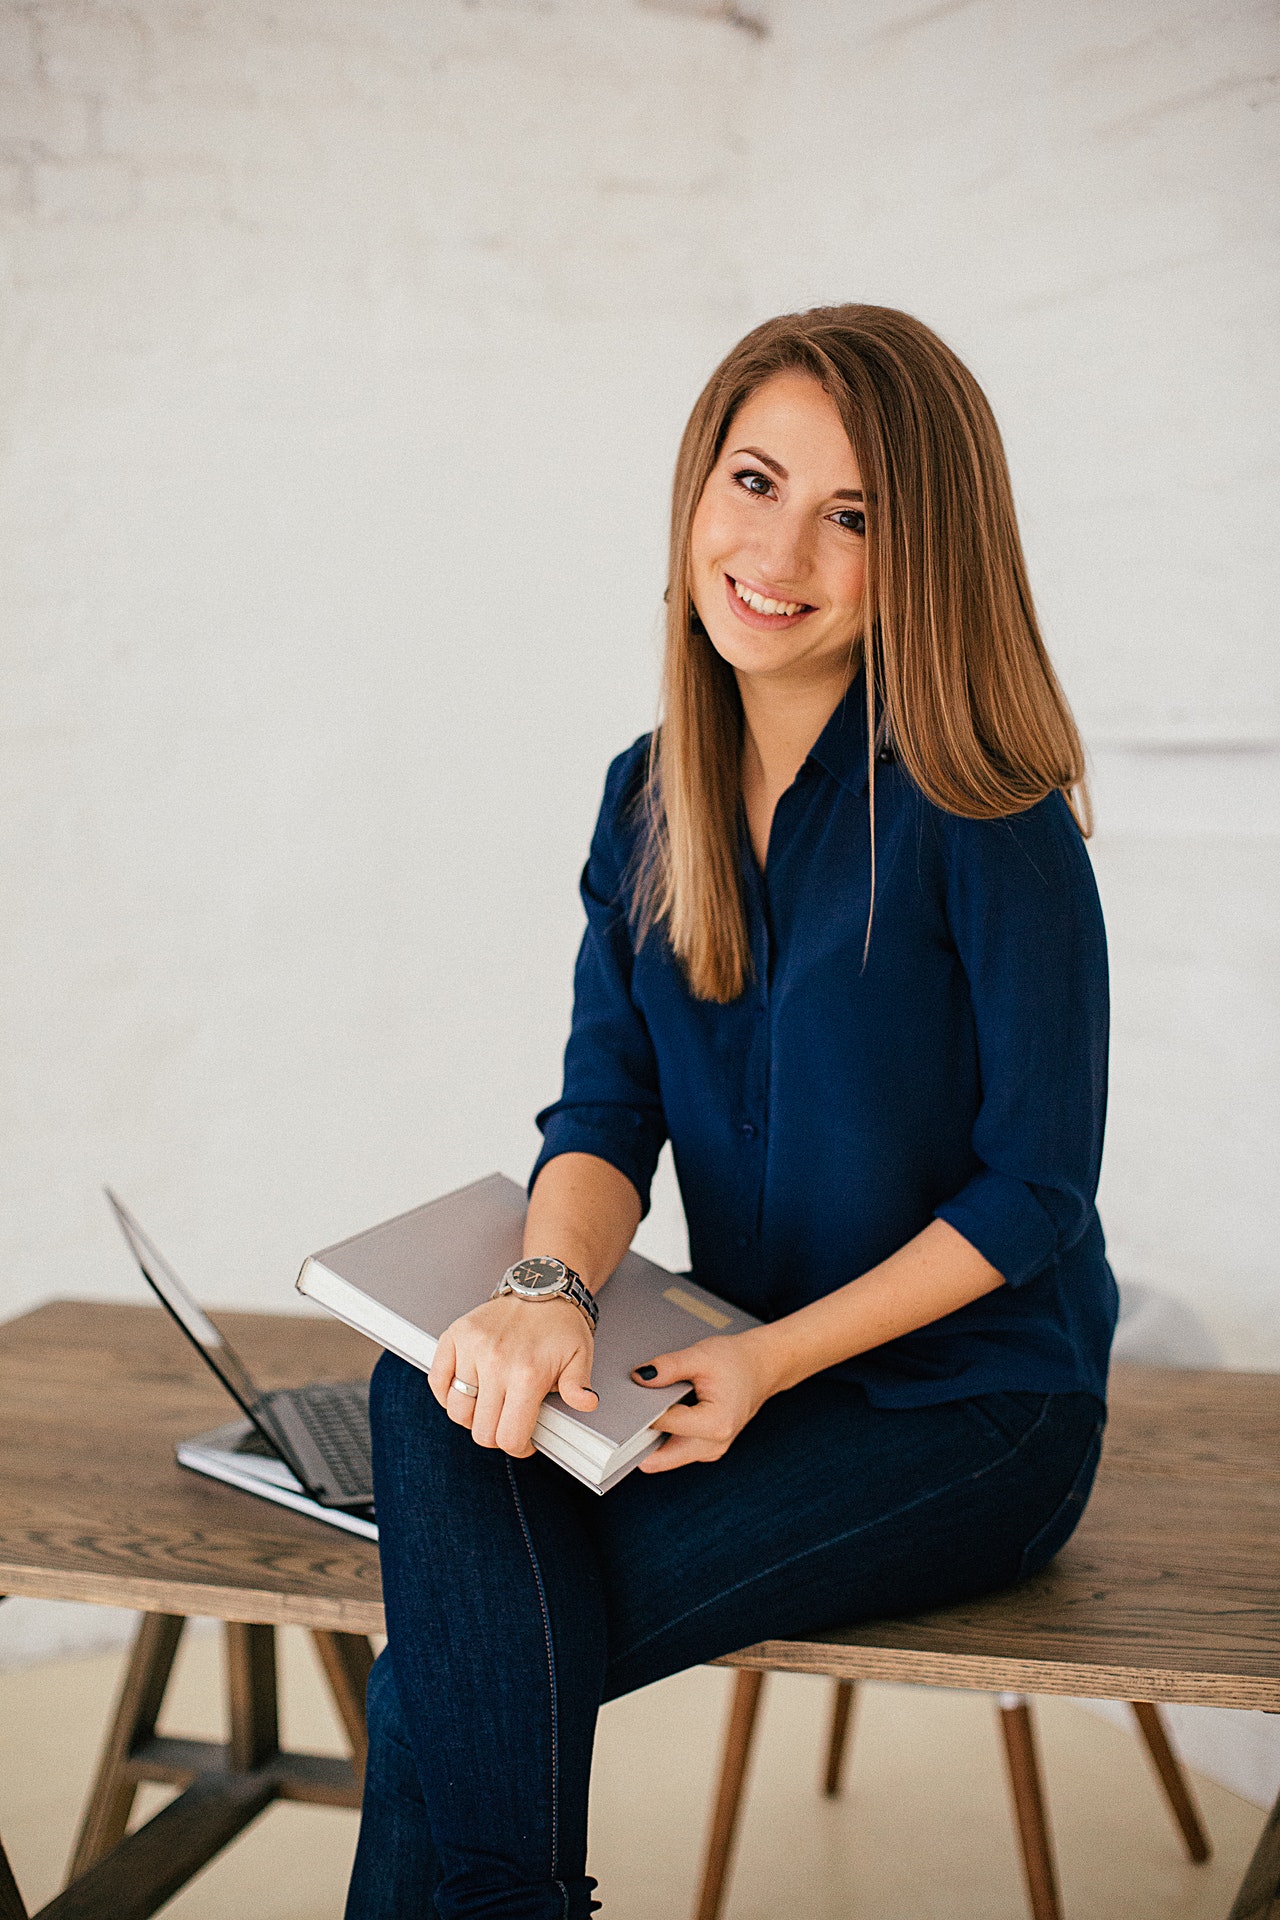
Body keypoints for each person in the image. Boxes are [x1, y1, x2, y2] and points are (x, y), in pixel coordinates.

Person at [344, 305, 1115, 1920]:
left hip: (962, 1409)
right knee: (432, 1390)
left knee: (448, 1680)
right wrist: (546, 1295)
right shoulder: (649, 791)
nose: (780, 550)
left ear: (926, 555)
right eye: (754, 481)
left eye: (855, 515)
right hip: (728, 1360)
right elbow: (606, 1110)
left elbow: (1034, 1188)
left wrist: (767, 1360)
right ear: (697, 488)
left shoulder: (990, 808)